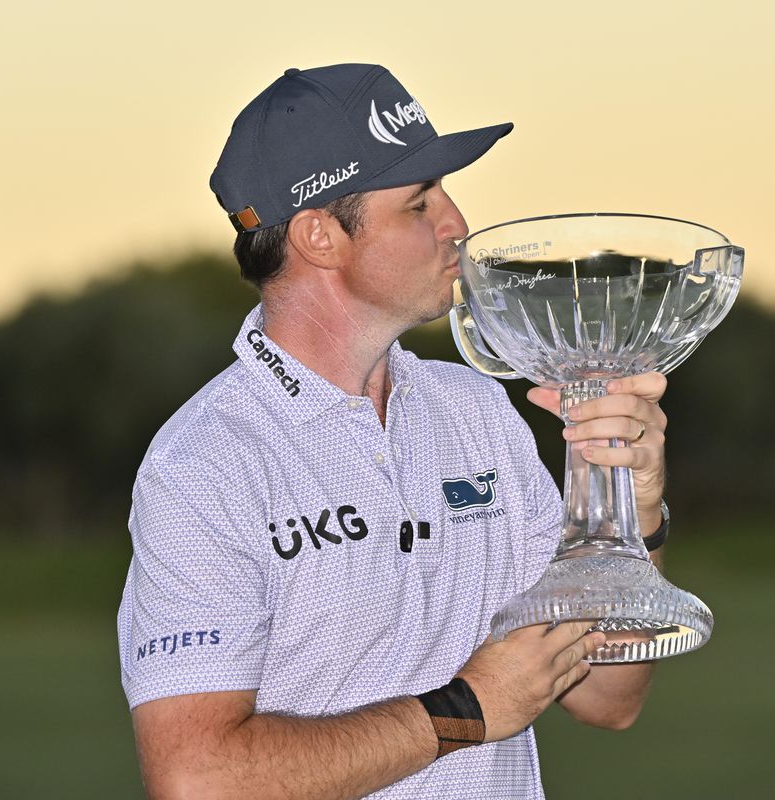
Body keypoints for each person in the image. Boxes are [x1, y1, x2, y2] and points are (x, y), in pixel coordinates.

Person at [117, 63, 674, 800]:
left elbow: (608, 699)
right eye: (419, 203)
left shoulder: (476, 410)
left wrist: (633, 517)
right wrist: (465, 712)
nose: (458, 224)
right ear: (320, 236)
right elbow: (197, 780)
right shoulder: (207, 463)